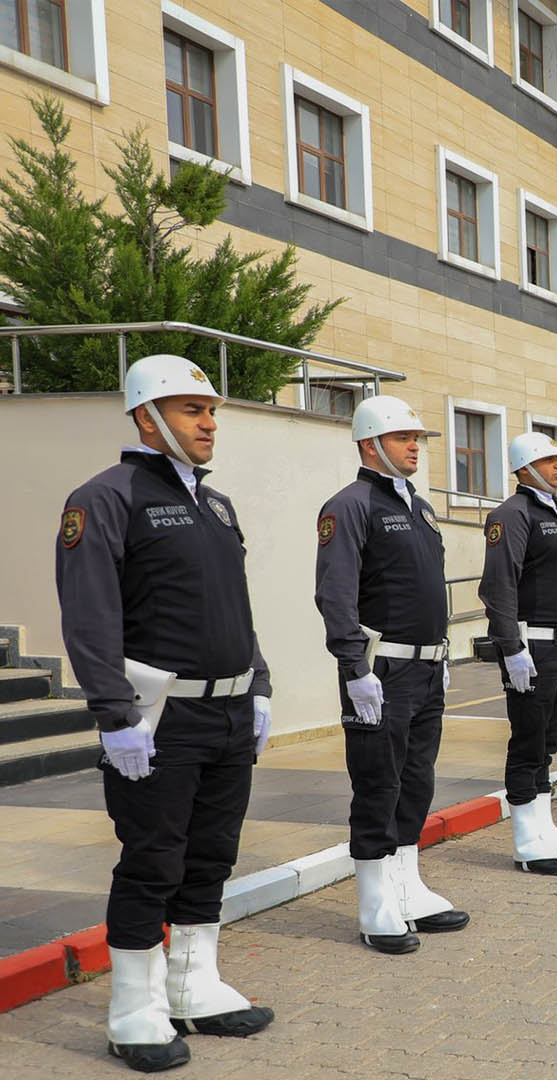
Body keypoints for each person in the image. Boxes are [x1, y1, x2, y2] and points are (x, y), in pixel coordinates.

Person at [57, 354, 274, 1071]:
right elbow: (90, 616)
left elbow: (234, 607)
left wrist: (260, 684)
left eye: (211, 410)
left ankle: (192, 986)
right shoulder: (107, 496)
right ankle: (133, 1012)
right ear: (145, 416)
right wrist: (114, 716)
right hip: (158, 720)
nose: (209, 422)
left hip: (229, 711)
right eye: (191, 410)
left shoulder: (217, 503)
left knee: (211, 855)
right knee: (153, 860)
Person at [315, 396, 467, 957]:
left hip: (426, 665)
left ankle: (406, 883)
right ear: (370, 443)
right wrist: (354, 667)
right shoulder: (349, 506)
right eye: (404, 438)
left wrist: (444, 658)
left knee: (417, 778)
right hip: (382, 669)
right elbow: (335, 593)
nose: (414, 447)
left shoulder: (420, 507)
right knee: (378, 782)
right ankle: (375, 900)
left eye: (418, 439)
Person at [480, 432, 557, 873]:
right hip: (533, 646)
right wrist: (510, 647)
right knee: (527, 742)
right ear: (525, 468)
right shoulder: (511, 514)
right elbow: (498, 585)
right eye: (548, 461)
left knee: (548, 741)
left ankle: (544, 826)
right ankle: (526, 838)